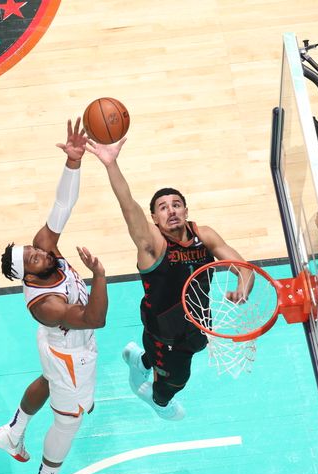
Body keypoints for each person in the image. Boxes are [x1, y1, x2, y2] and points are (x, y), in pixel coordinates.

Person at [0, 118, 107, 474]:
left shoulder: (45, 250)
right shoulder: (45, 305)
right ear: (28, 275)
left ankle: (14, 430)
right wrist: (100, 275)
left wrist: (74, 162)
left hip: (55, 348)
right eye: (32, 258)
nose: (40, 252)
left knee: (46, 380)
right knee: (68, 420)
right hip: (70, 353)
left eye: (34, 250)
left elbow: (63, 205)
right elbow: (94, 318)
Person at [86, 137, 249, 421]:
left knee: (192, 347)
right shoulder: (153, 245)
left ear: (186, 211)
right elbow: (128, 207)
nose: (171, 210)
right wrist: (111, 164)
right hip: (165, 334)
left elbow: (243, 267)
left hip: (196, 323)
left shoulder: (204, 235)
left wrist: (242, 289)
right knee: (175, 380)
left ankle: (141, 360)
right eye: (163, 207)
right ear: (154, 217)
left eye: (176, 205)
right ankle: (156, 400)